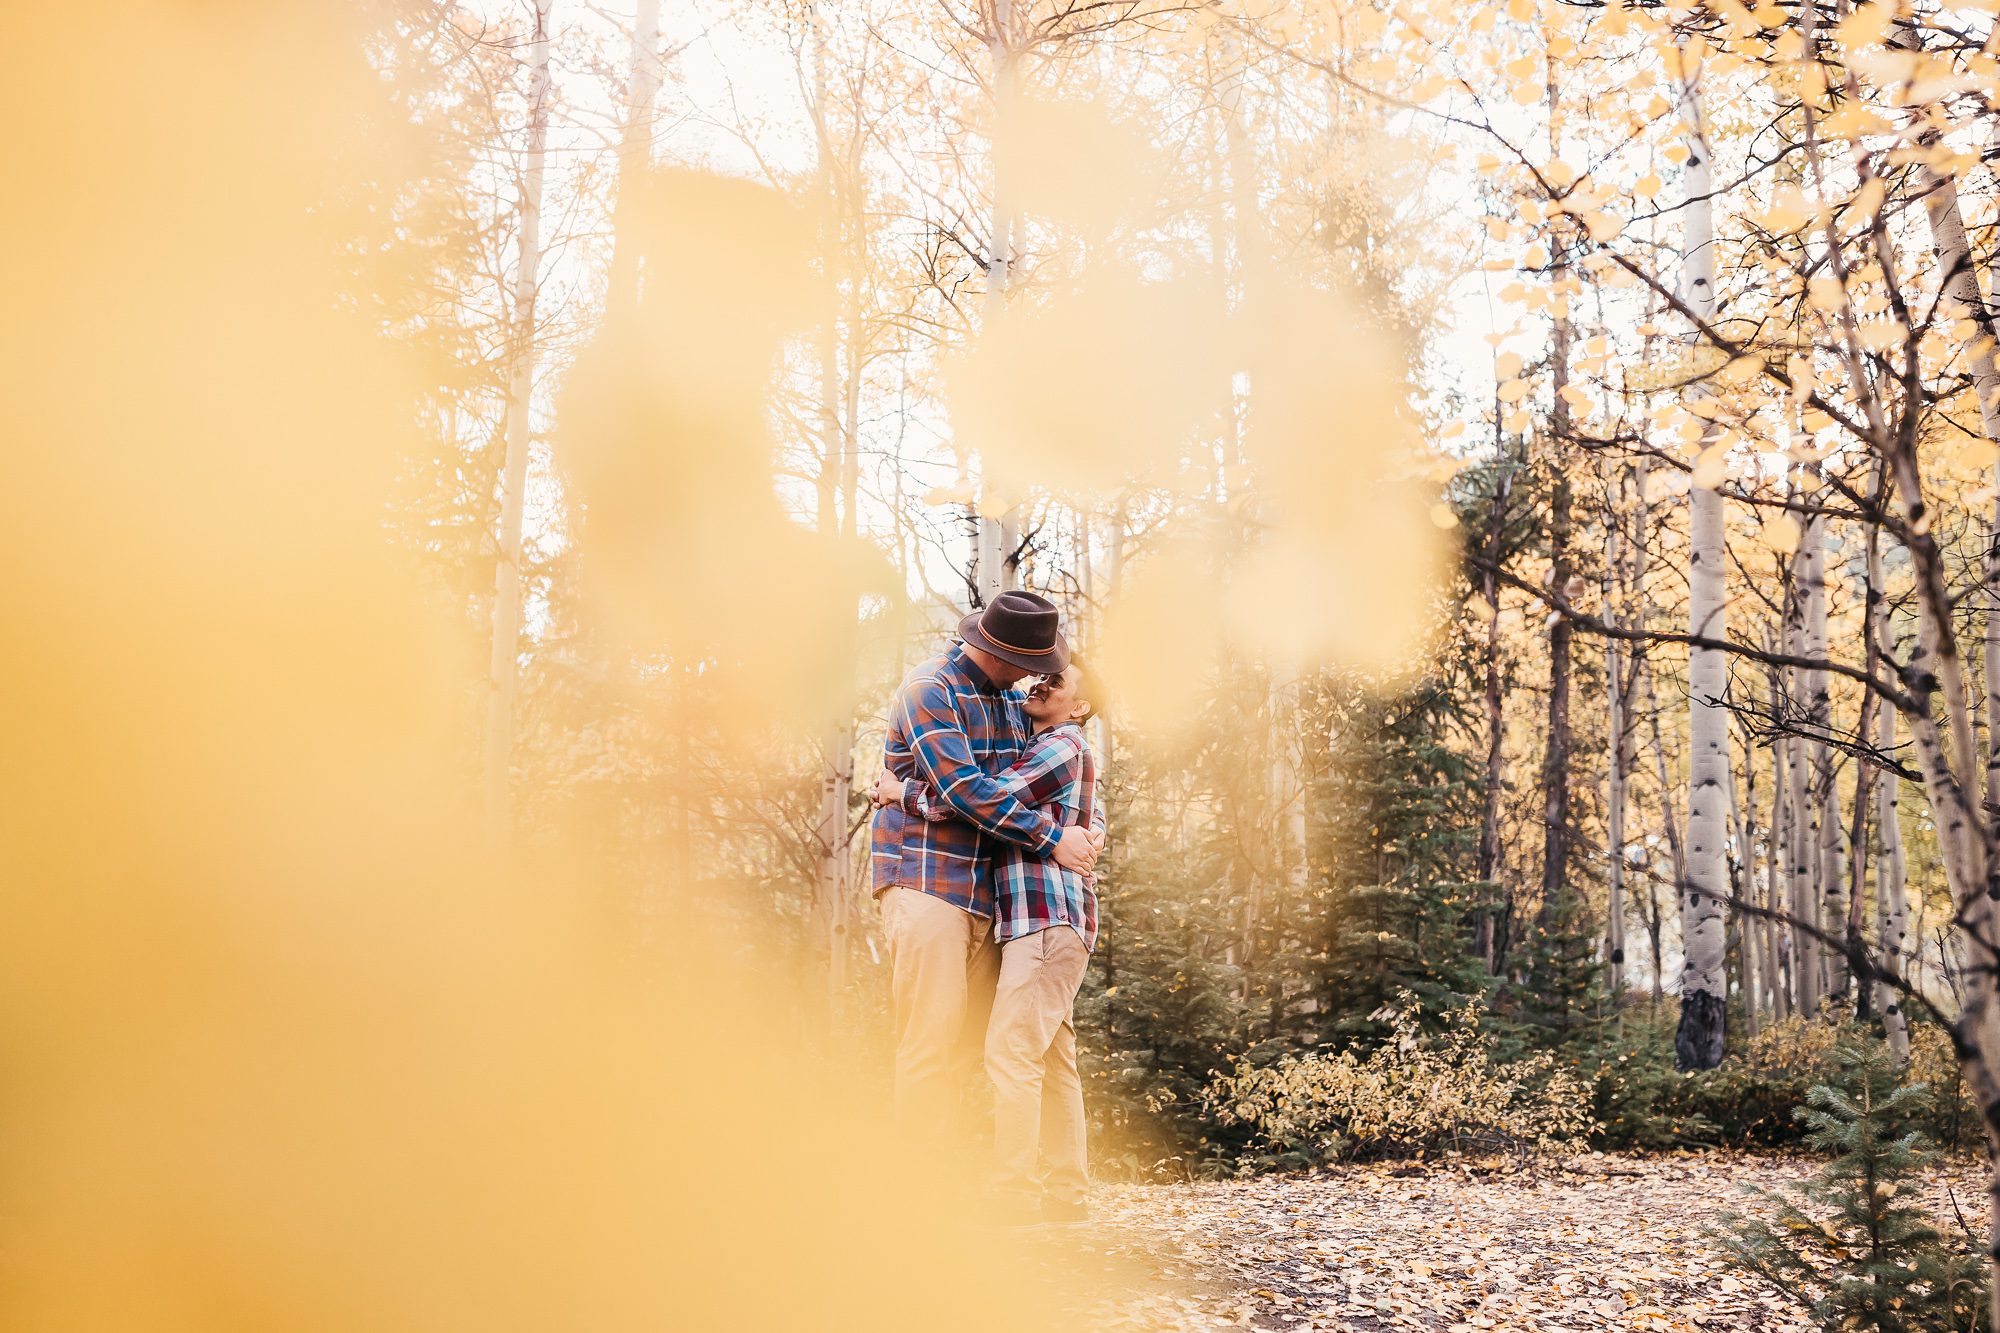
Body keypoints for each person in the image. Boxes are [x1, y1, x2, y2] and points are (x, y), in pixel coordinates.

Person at [875, 661, 1104, 1223]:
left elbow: (985, 799)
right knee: (1052, 1056)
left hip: (1042, 919)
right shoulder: (1048, 743)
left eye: (1057, 682)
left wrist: (901, 791)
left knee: (1012, 1052)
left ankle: (1016, 1193)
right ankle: (1067, 1192)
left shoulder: (1060, 747)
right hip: (1043, 921)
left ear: (1079, 707)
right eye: (1041, 676)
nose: (1041, 684)